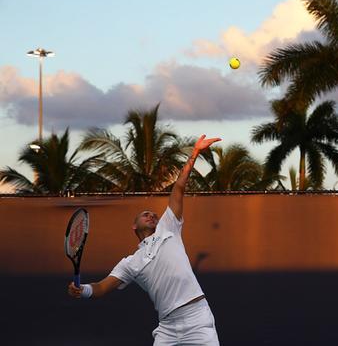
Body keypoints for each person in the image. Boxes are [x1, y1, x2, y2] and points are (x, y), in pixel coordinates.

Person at [68, 134, 222, 345]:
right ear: (134, 226)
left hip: (197, 318)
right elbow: (102, 287)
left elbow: (178, 188)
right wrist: (82, 290)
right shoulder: (130, 263)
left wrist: (194, 154)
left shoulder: (169, 228)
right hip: (167, 327)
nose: (152, 216)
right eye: (145, 214)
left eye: (154, 215)